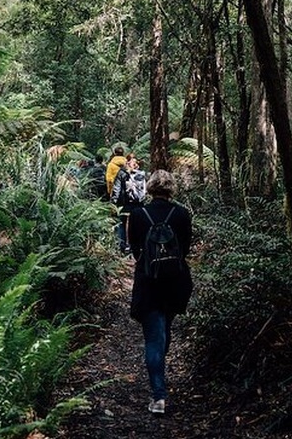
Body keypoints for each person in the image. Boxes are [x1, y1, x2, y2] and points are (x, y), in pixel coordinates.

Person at [128, 170, 193, 415]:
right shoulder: (182, 214)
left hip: (148, 282)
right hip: (176, 281)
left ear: (151, 188)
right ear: (171, 188)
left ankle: (158, 396)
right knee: (163, 333)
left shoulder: (137, 214)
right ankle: (159, 388)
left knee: (155, 338)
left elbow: (135, 249)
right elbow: (185, 247)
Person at [111, 156, 146, 252]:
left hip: (124, 203)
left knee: (121, 223)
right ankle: (137, 245)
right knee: (137, 224)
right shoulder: (142, 174)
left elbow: (116, 189)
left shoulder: (122, 173)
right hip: (138, 203)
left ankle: (122, 246)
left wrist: (113, 203)